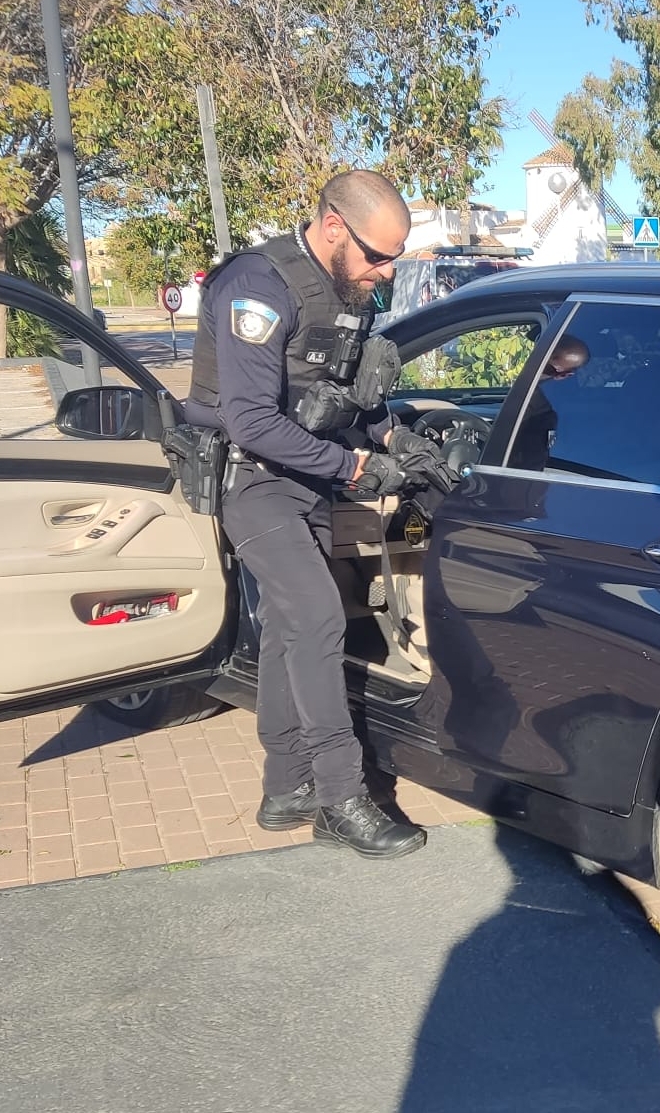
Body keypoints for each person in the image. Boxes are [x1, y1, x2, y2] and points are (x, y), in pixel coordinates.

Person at [185, 169, 446, 860]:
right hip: (255, 481)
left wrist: (396, 438)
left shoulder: (347, 287)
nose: (384, 271)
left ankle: (285, 785)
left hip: (311, 481)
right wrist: (357, 468)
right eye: (375, 255)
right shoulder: (258, 287)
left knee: (289, 625)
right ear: (334, 226)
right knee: (322, 615)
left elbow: (350, 392)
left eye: (393, 256)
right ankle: (339, 797)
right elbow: (250, 422)